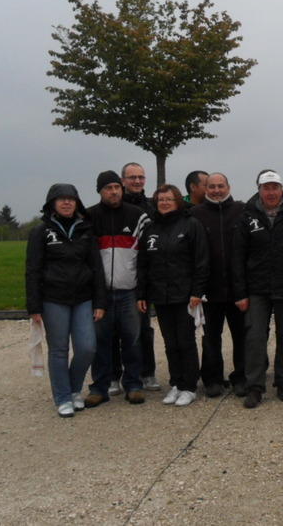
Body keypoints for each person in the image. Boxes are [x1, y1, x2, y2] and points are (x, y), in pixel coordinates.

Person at [232, 170, 283, 408]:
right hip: (256, 289)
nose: (271, 192)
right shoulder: (247, 216)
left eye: (274, 188)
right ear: (259, 190)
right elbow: (238, 257)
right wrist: (240, 293)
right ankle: (255, 386)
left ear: (281, 189)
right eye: (266, 188)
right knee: (255, 338)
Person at [25, 184, 105, 418]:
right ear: (52, 203)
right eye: (61, 199)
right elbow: (33, 270)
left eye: (71, 199)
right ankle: (63, 397)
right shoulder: (41, 232)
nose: (67, 203)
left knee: (87, 348)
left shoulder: (85, 230)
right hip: (53, 299)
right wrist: (34, 306)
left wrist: (100, 301)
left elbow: (96, 267)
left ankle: (73, 388)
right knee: (59, 350)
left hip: (83, 298)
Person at [136, 184, 209, 407]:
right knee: (170, 343)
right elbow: (143, 264)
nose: (165, 203)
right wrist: (142, 293)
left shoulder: (191, 225)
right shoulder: (150, 229)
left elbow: (201, 261)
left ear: (177, 200)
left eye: (169, 199)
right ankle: (176, 383)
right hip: (160, 295)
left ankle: (189, 386)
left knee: (186, 341)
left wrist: (197, 291)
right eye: (160, 200)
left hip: (185, 295)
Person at [84, 170, 151, 407]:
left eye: (116, 187)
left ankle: (133, 384)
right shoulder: (89, 217)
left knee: (132, 340)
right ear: (100, 191)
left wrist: (142, 290)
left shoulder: (137, 215)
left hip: (129, 290)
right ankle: (99, 387)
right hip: (100, 293)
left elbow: (145, 258)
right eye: (108, 188)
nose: (113, 192)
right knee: (100, 342)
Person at [189, 172, 248, 398]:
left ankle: (241, 378)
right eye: (211, 186)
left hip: (238, 289)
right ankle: (213, 379)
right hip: (209, 290)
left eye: (220, 186)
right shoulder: (195, 214)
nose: (216, 190)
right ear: (205, 189)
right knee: (210, 338)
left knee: (241, 337)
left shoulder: (242, 211)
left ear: (228, 187)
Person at [109, 162, 160, 394]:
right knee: (112, 331)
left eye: (141, 177)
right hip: (117, 275)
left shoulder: (151, 207)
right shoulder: (114, 207)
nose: (137, 181)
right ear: (122, 181)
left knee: (142, 329)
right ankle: (114, 375)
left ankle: (147, 372)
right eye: (132, 178)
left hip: (142, 278)